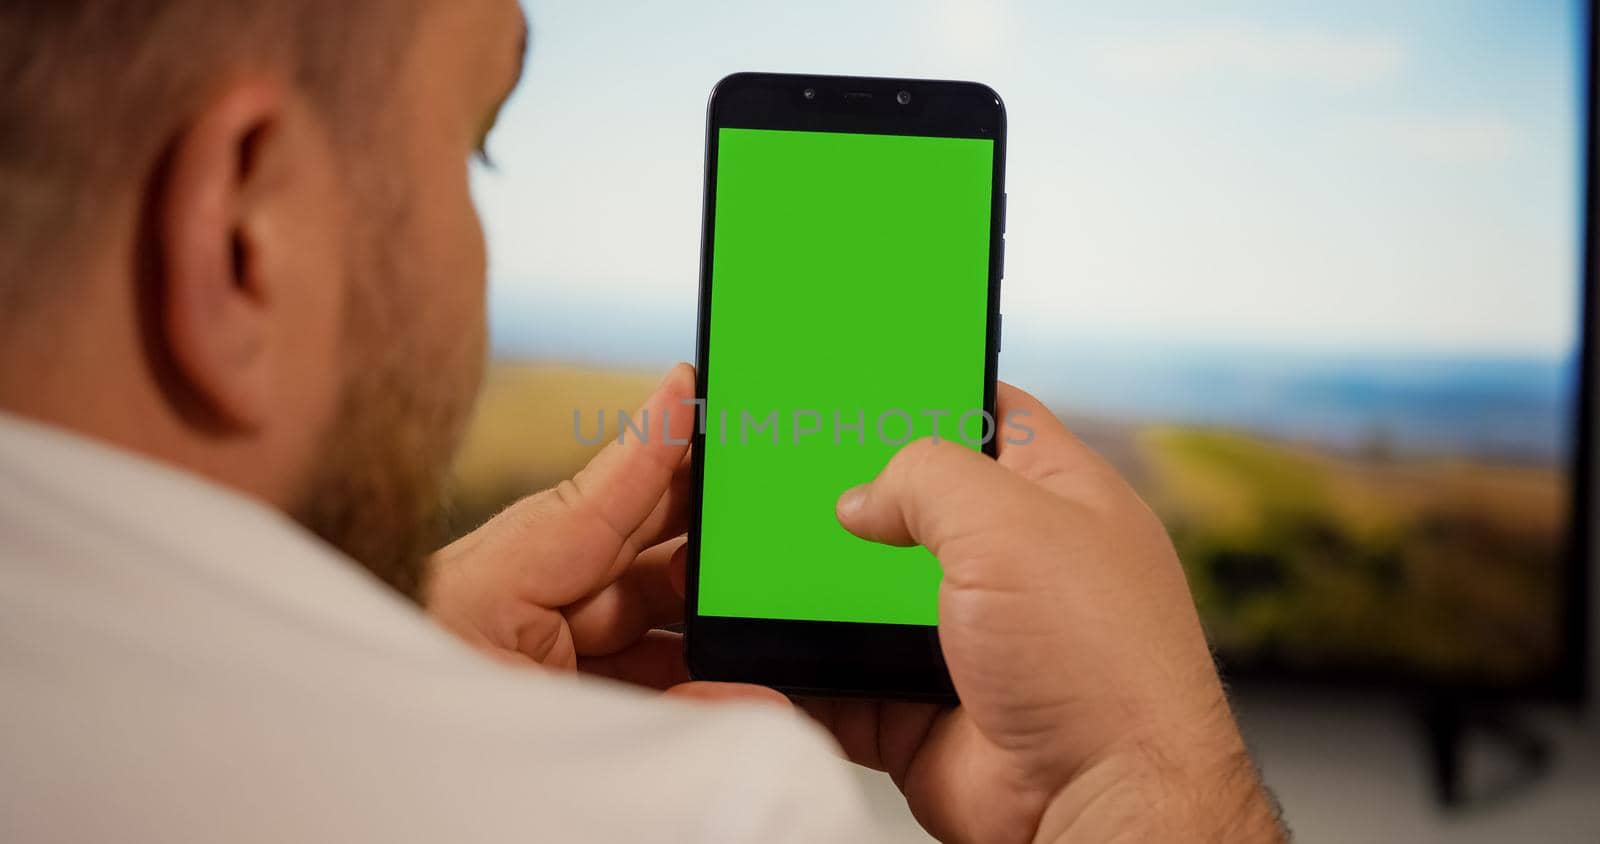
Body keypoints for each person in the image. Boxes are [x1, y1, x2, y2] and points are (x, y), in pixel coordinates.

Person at [0, 1, 1286, 841]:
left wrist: (418, 676)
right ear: (242, 240)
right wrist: (1145, 789)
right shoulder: (716, 815)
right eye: (475, 147)